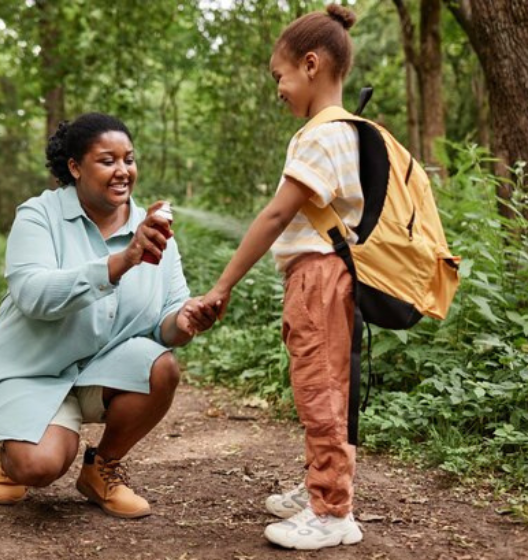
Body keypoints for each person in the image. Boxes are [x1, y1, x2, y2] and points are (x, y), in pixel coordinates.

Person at [0, 112, 217, 519]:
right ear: (75, 167)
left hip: (101, 370)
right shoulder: (38, 216)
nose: (123, 171)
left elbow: (165, 323)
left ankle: (101, 469)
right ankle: (12, 454)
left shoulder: (154, 231)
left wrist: (186, 320)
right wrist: (122, 261)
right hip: (33, 370)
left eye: (129, 159)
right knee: (40, 467)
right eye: (108, 161)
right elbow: (33, 294)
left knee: (162, 367)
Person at [202, 4, 364, 551]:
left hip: (318, 277)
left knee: (319, 389)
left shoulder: (319, 135)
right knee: (324, 387)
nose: (278, 89)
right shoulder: (346, 131)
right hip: (329, 275)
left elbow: (275, 216)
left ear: (312, 64)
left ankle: (331, 510)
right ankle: (322, 484)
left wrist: (223, 285)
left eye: (280, 76)